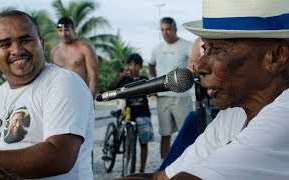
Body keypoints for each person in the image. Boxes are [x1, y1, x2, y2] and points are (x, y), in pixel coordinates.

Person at [120, 0, 289, 179]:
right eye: (205, 48)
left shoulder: (283, 117)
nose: (198, 66)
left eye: (217, 50)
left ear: (276, 56)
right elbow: (160, 178)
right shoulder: (234, 115)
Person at [0, 10, 94, 179]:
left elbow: (59, 157)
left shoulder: (63, 81)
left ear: (41, 43)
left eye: (25, 40)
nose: (17, 50)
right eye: (5, 44)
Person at [148, 17, 193, 159]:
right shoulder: (157, 49)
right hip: (163, 97)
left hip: (182, 97)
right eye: (162, 30)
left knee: (185, 133)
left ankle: (187, 164)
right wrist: (154, 82)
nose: (165, 33)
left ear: (175, 29)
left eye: (168, 29)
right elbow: (151, 64)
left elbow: (194, 65)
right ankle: (164, 166)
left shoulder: (187, 46)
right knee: (165, 134)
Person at [109, 53, 154, 173]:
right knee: (129, 144)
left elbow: (152, 90)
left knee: (144, 143)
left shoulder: (144, 79)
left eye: (136, 65)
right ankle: (128, 165)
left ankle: (142, 170)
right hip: (128, 114)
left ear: (140, 66)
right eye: (130, 64)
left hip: (143, 114)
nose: (133, 67)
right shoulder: (125, 79)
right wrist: (121, 76)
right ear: (127, 66)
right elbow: (110, 87)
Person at [51, 17, 98, 98]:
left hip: (80, 95)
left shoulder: (85, 48)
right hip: (60, 97)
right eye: (60, 31)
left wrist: (90, 100)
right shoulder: (54, 52)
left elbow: (93, 76)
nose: (64, 34)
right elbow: (52, 78)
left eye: (66, 30)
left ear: (73, 30)